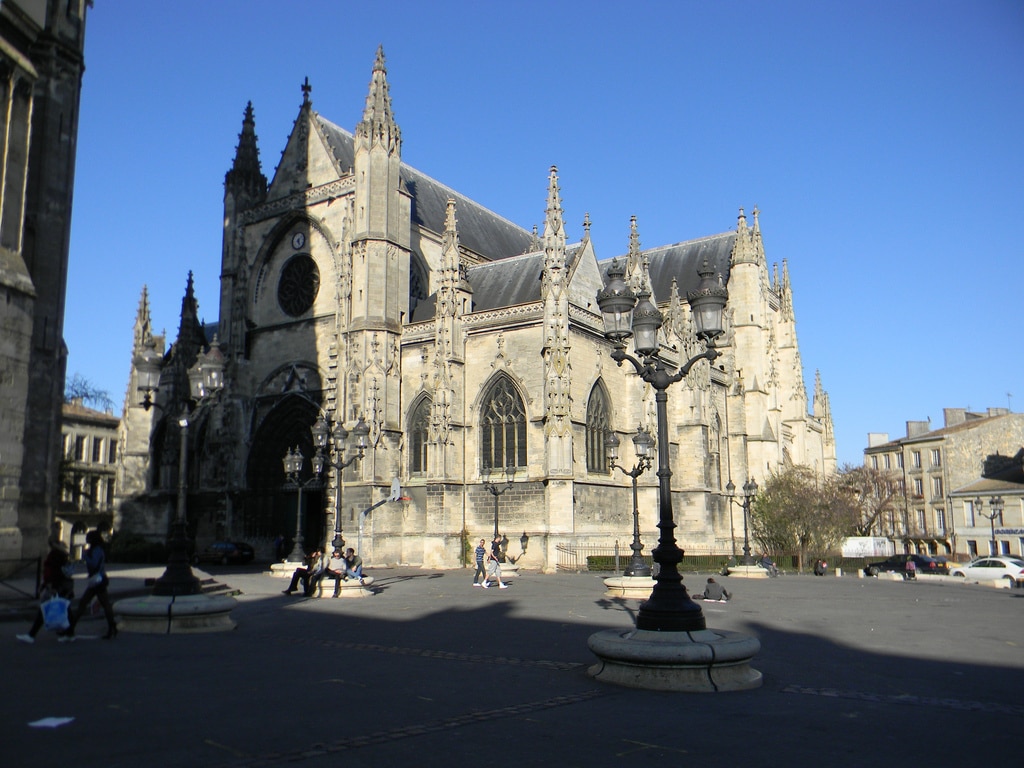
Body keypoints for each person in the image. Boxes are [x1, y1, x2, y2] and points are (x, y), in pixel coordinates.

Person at [16, 540, 75, 644]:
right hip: (61, 585)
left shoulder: (55, 555)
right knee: (65, 608)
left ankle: (31, 635)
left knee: (44, 608)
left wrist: (52, 586)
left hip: (55, 586)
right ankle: (70, 633)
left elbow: (54, 571)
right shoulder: (62, 555)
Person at [66, 530, 117, 640]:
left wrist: (85, 555)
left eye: (88, 538)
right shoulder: (97, 549)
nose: (87, 540)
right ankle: (112, 627)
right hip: (97, 579)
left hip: (98, 580)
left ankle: (71, 628)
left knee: (89, 603)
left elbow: (93, 563)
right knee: (93, 603)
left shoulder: (97, 550)